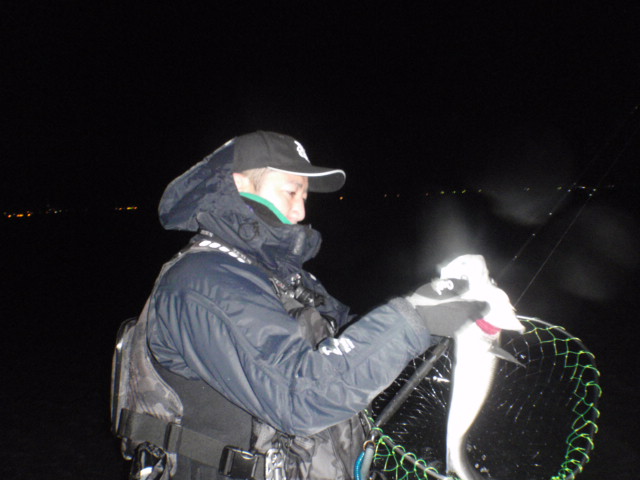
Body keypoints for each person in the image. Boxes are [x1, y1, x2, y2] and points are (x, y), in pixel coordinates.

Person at [126, 131, 488, 480]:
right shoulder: (202, 281)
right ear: (240, 185)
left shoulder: (279, 277)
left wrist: (431, 306)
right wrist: (413, 320)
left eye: (304, 195)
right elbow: (300, 397)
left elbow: (349, 341)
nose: (300, 211)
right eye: (290, 192)